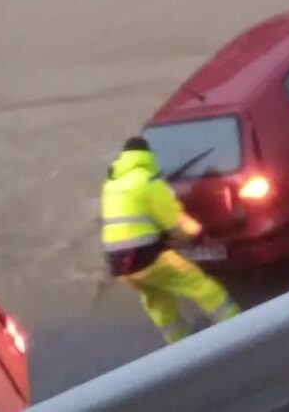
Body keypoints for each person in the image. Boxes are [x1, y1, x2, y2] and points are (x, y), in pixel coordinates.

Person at [101, 137, 241, 344]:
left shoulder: (111, 185)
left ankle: (179, 343)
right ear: (147, 155)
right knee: (199, 285)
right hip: (146, 257)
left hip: (119, 264)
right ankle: (238, 325)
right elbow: (174, 222)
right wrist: (197, 234)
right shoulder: (148, 180)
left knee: (158, 300)